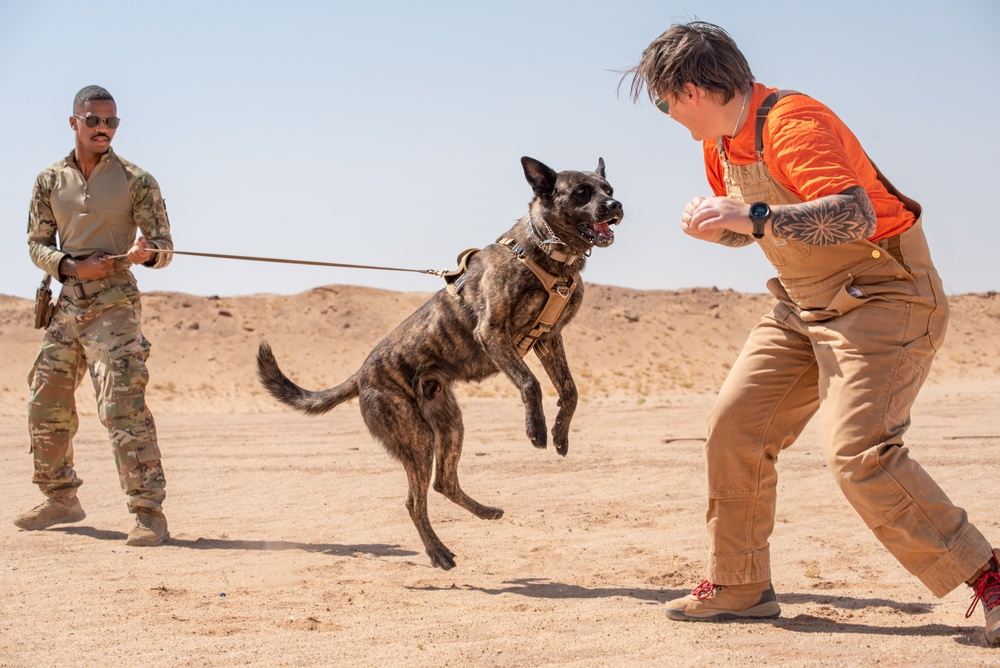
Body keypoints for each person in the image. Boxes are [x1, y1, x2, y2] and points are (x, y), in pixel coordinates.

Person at [624, 22, 999, 644]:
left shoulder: (793, 124)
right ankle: (740, 585)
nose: (665, 113)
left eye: (663, 102)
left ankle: (989, 576)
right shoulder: (719, 145)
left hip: (884, 296)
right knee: (735, 427)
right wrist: (722, 228)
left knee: (859, 455)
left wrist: (752, 214)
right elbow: (764, 231)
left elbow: (852, 214)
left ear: (690, 89)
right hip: (804, 307)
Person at [14, 85, 173, 546]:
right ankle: (60, 498)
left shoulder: (137, 179)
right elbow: (35, 245)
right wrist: (69, 266)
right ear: (74, 122)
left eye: (111, 121)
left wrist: (146, 255)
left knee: (121, 402)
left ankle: (148, 512)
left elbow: (164, 246)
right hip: (69, 303)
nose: (103, 128)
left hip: (116, 304)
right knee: (45, 400)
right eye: (94, 120)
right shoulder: (49, 180)